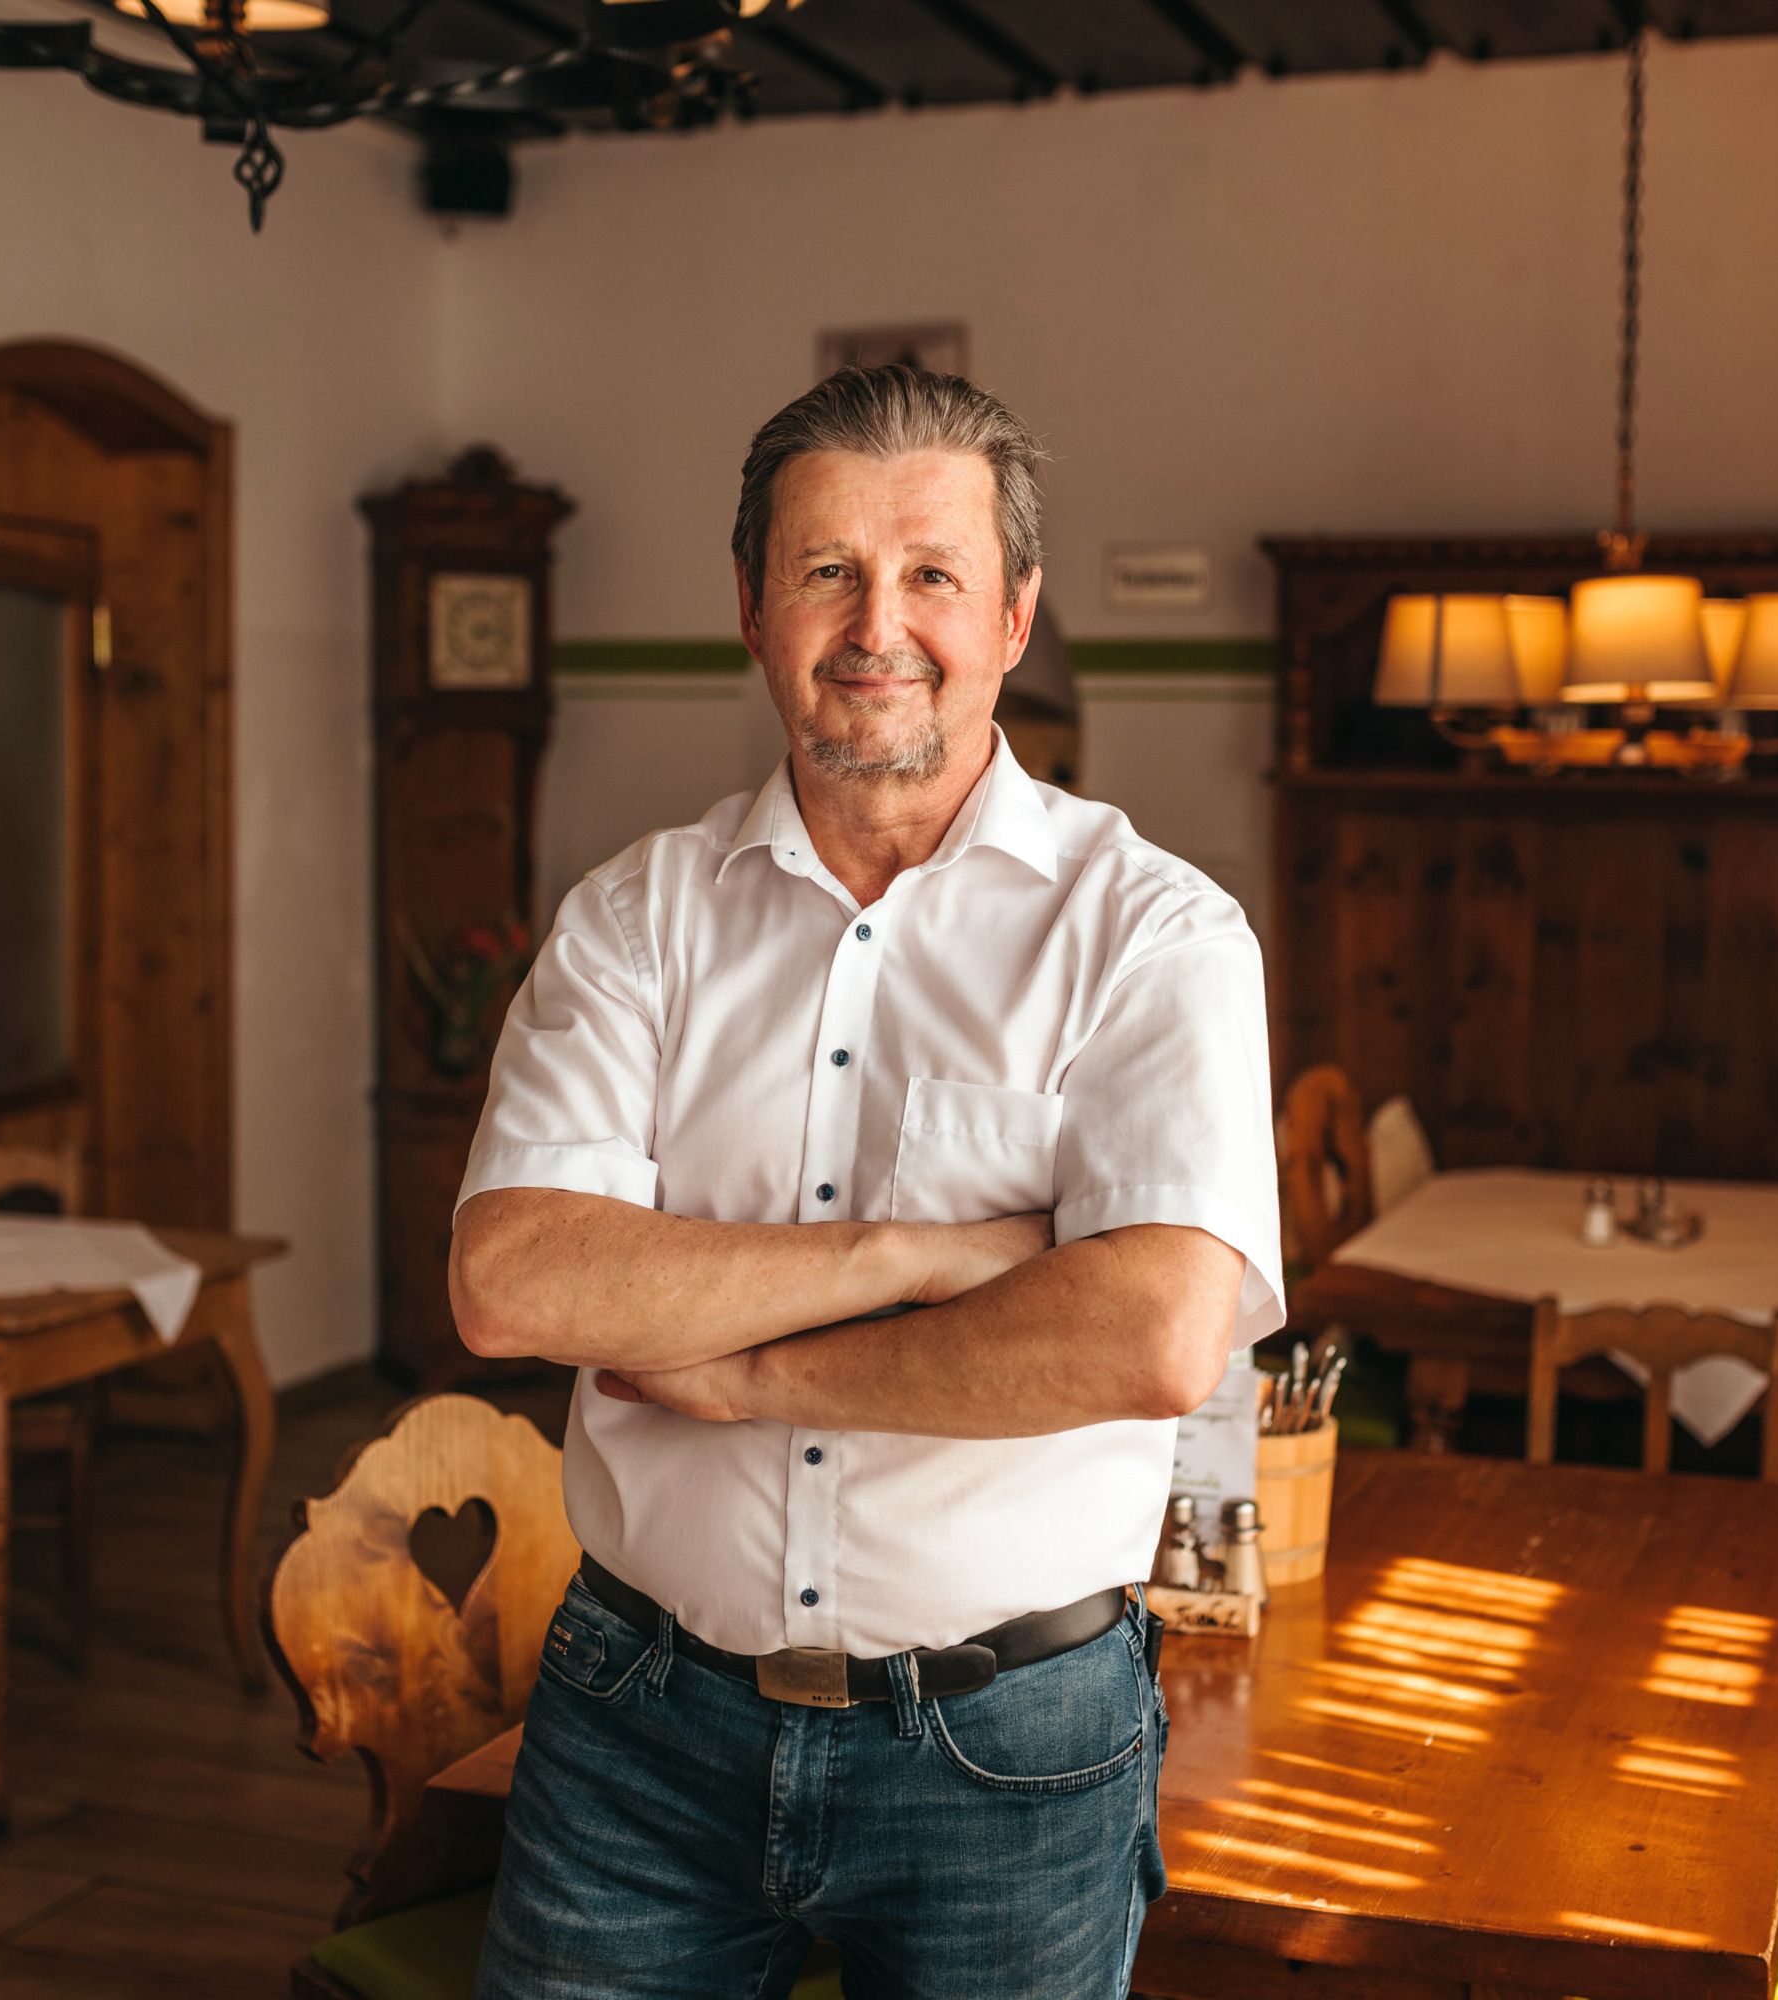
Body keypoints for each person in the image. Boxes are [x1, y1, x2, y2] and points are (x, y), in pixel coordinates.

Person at [451, 363, 1283, 1999]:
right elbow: (517, 1282)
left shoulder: (1155, 933)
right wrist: (922, 1252)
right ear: (752, 608)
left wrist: (754, 1368)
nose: (874, 622)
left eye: (931, 574)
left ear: (1016, 615)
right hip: (638, 1721)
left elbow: (1154, 1334)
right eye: (826, 568)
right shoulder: (636, 921)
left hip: (1013, 1750)